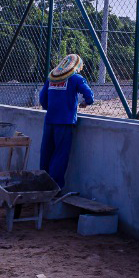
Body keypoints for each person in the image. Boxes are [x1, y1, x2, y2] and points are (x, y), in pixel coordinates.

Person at [38, 53, 94, 188]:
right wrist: (86, 102)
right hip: (65, 122)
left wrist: (50, 107)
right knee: (60, 154)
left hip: (49, 120)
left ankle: (42, 184)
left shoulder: (51, 79)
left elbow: (42, 98)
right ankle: (55, 186)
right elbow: (89, 96)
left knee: (46, 152)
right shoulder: (76, 78)